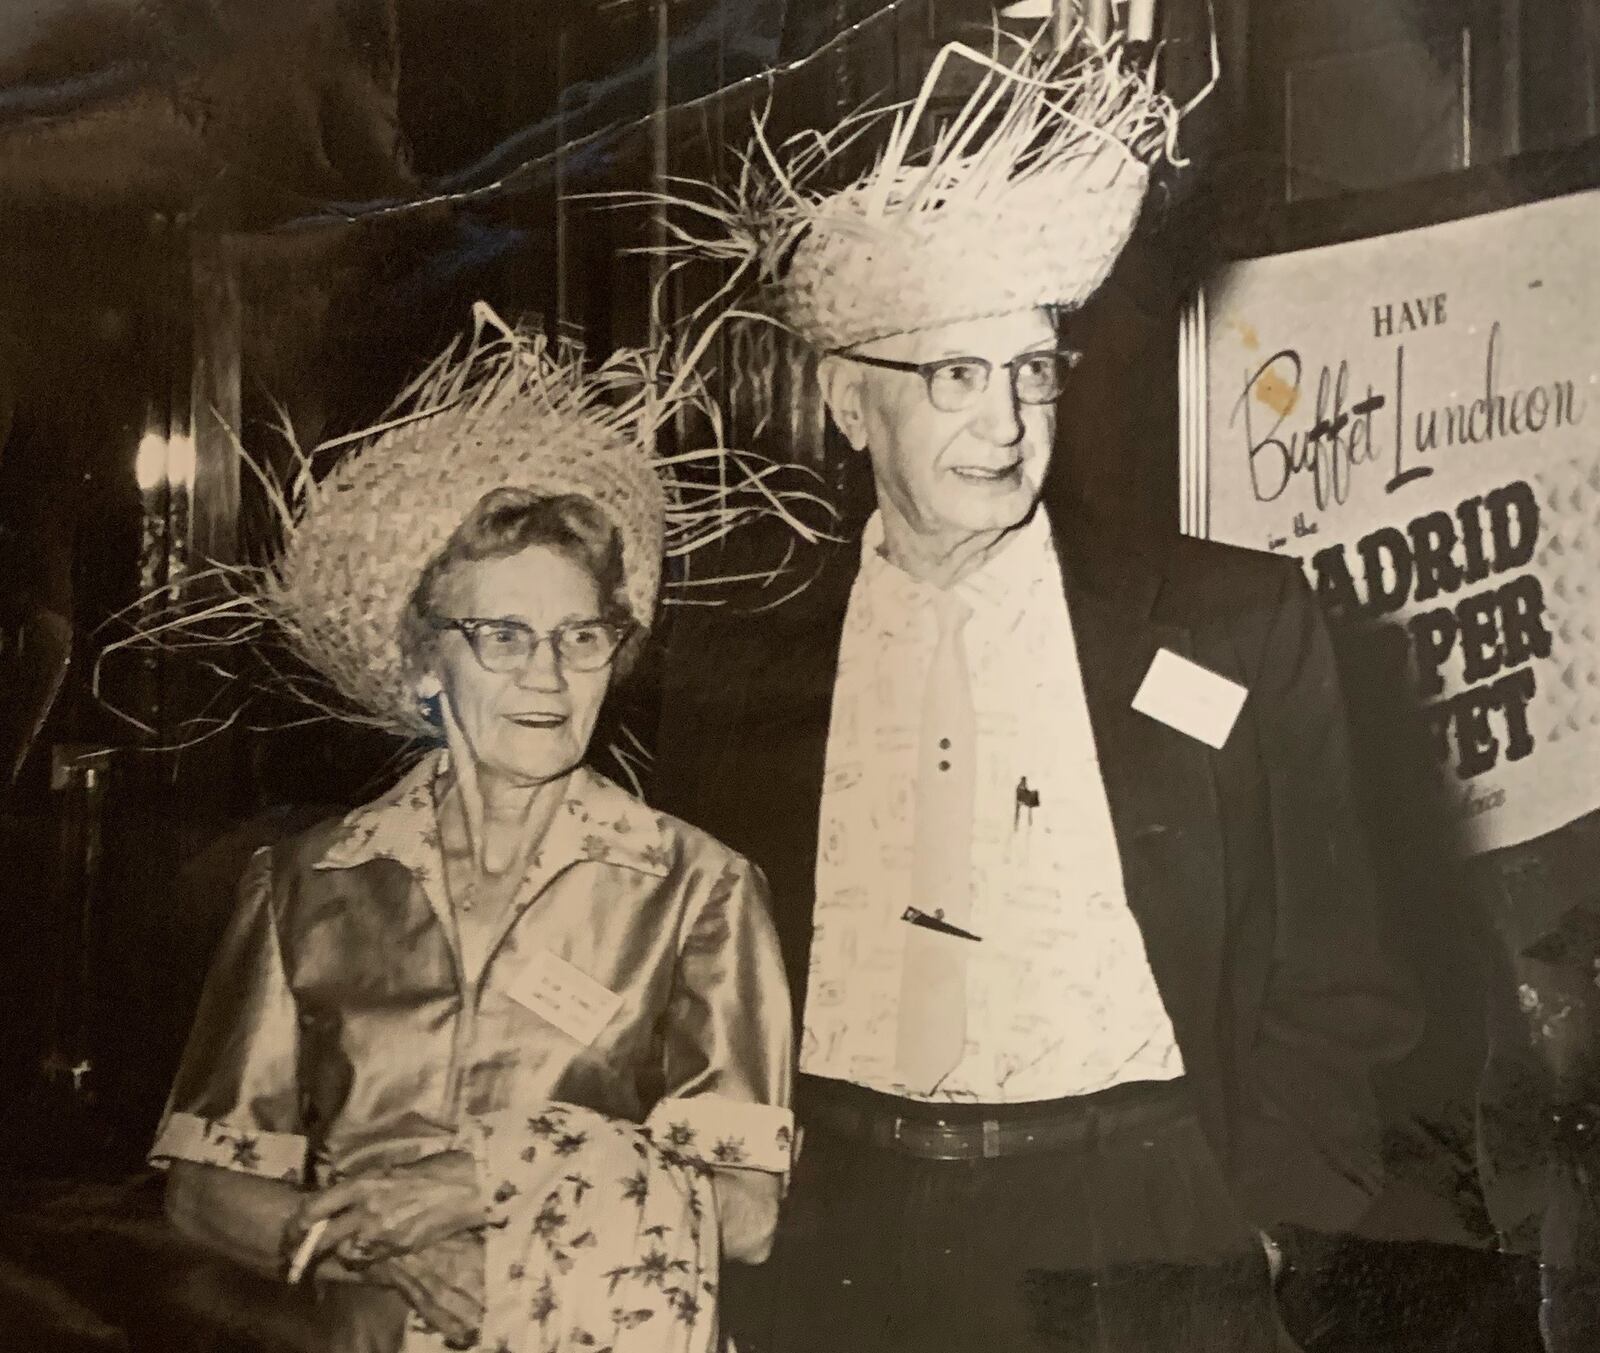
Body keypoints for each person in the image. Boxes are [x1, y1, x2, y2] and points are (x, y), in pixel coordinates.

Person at [647, 31, 1419, 1353]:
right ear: (846, 402)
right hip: (847, 1230)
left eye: (1029, 370)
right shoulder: (729, 666)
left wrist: (1275, 1219)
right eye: (954, 376)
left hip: (1148, 1216)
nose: (1006, 425)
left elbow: (1342, 973)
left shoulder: (1232, 624)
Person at [148, 307, 796, 1353]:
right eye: (501, 636)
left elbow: (749, 1214)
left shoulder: (696, 888)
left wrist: (485, 1192)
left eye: (580, 635)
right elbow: (203, 1185)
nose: (545, 674)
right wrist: (377, 1244)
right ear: (422, 666)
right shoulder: (307, 882)